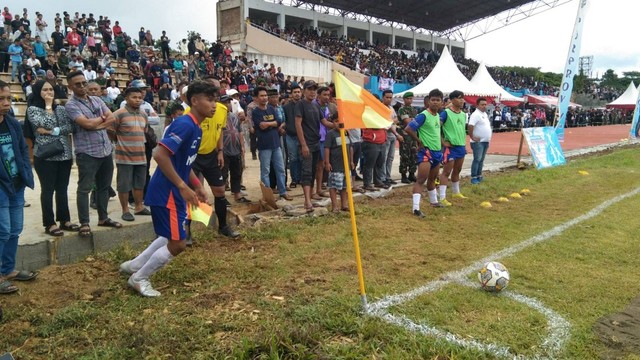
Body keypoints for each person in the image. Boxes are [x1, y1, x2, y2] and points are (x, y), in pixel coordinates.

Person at [119, 81, 214, 297]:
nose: (214, 105)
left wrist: (196, 185)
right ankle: (139, 278)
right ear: (195, 100)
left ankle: (134, 266)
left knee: (169, 235)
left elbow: (183, 162)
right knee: (178, 244)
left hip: (175, 191)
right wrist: (182, 186)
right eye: (209, 99)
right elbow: (160, 155)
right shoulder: (185, 124)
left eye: (215, 99)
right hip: (168, 192)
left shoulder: (196, 127)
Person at [65, 71, 122, 237]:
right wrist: (100, 120)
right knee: (85, 188)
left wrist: (96, 123)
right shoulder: (71, 105)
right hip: (87, 152)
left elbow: (111, 117)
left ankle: (103, 218)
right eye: (78, 84)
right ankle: (84, 223)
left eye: (84, 83)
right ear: (70, 86)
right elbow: (87, 124)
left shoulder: (97, 99)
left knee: (104, 187)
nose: (82, 86)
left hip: (105, 150)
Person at [189, 77, 240, 238]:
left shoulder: (222, 110)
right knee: (193, 192)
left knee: (220, 190)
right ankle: (187, 230)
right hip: (194, 156)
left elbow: (219, 131)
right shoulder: (189, 115)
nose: (215, 93)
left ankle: (223, 226)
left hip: (211, 155)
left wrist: (219, 151)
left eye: (217, 90)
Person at [27, 80, 78, 237]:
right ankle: (49, 223)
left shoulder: (62, 109)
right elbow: (43, 122)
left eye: (51, 89)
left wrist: (51, 132)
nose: (49, 92)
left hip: (64, 154)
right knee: (48, 190)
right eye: (44, 90)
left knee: (62, 189)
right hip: (45, 156)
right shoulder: (33, 109)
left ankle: (64, 220)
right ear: (38, 92)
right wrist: (48, 106)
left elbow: (70, 127)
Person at [0, 80, 37, 295]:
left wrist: (25, 172)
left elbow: (23, 149)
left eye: (7, 98)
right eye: (1, 99)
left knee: (15, 230)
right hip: (1, 187)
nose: (7, 103)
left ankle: (7, 270)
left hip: (16, 184)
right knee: (2, 231)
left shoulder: (12, 123)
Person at [404, 89, 446, 218]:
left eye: (437, 100)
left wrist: (443, 146)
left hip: (437, 152)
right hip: (426, 152)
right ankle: (415, 208)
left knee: (433, 179)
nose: (435, 103)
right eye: (432, 100)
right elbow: (408, 128)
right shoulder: (423, 115)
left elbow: (436, 134)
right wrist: (419, 141)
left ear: (441, 103)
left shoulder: (437, 116)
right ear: (428, 101)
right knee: (421, 179)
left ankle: (434, 201)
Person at [112, 86, 152, 221]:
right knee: (124, 184)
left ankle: (139, 207)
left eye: (140, 98)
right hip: (124, 156)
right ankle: (125, 210)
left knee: (139, 183)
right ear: (126, 98)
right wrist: (118, 141)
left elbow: (144, 131)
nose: (137, 100)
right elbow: (110, 130)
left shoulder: (144, 115)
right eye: (134, 97)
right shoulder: (118, 113)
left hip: (141, 155)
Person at [252, 86, 292, 201]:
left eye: (265, 95)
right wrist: (272, 124)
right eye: (262, 96)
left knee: (280, 169)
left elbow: (278, 122)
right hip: (264, 146)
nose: (264, 98)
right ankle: (267, 195)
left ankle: (282, 192)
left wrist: (269, 124)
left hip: (276, 144)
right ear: (256, 98)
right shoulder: (256, 112)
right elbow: (261, 126)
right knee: (266, 171)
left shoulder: (271, 109)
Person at [295, 80, 324, 213]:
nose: (312, 92)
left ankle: (310, 198)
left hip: (316, 143)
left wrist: (337, 124)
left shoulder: (316, 106)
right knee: (306, 172)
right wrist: (303, 144)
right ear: (304, 91)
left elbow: (324, 122)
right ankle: (307, 201)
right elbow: (298, 124)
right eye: (310, 89)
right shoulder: (300, 105)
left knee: (313, 171)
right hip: (306, 144)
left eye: (314, 89)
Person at [438, 90, 468, 205]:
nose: (462, 100)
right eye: (460, 98)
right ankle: (442, 197)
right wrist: (442, 142)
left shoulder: (463, 114)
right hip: (450, 148)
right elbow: (436, 127)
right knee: (446, 172)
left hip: (461, 146)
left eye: (463, 98)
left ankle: (456, 192)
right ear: (452, 99)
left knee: (457, 170)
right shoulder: (445, 113)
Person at [220, 95, 249, 203]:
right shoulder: (216, 117)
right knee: (223, 174)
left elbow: (240, 131)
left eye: (228, 102)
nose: (227, 105)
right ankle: (221, 197)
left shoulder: (234, 116)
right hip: (223, 149)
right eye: (224, 102)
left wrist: (242, 146)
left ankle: (237, 194)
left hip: (235, 148)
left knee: (237, 172)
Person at [324, 117, 352, 212]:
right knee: (333, 186)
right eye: (336, 121)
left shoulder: (346, 132)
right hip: (335, 165)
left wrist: (351, 161)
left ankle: (344, 204)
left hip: (345, 165)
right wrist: (327, 162)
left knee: (344, 186)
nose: (338, 123)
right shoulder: (330, 134)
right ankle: (334, 206)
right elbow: (327, 148)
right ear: (332, 122)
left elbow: (350, 147)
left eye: (340, 121)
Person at [468, 97, 491, 185]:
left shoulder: (484, 114)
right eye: (482, 104)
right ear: (477, 105)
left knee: (481, 159)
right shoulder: (475, 114)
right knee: (477, 159)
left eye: (485, 104)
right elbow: (470, 126)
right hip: (478, 142)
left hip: (485, 141)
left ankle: (479, 175)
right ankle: (474, 177)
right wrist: (472, 137)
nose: (484, 106)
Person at [283, 85, 302, 188]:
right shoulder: (286, 107)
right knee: (293, 158)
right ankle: (294, 179)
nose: (297, 94)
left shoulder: (304, 105)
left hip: (302, 136)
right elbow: (283, 121)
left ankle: (301, 179)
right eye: (295, 92)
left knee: (302, 158)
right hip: (290, 136)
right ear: (291, 94)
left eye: (298, 92)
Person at [397, 91, 418, 183]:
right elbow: (407, 122)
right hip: (405, 136)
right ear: (404, 99)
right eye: (408, 99)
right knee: (405, 156)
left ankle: (412, 174)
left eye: (411, 98)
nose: (409, 100)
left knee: (413, 155)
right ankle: (403, 175)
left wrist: (413, 120)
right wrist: (414, 120)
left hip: (413, 136)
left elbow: (414, 121)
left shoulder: (414, 109)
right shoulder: (402, 109)